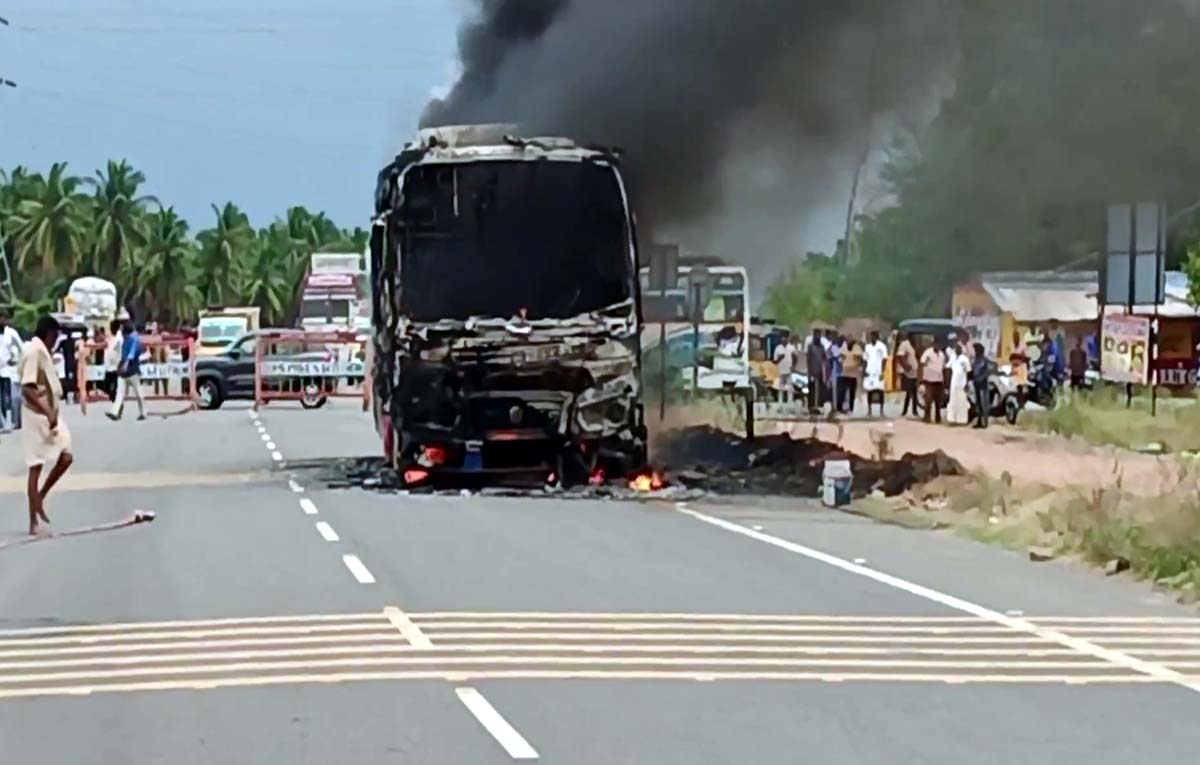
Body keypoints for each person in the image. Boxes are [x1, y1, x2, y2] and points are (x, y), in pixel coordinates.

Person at [20, 315, 74, 536]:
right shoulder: (34, 351)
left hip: (50, 415)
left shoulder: (42, 350)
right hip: (37, 415)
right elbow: (28, 388)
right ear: (48, 333)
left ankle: (41, 495)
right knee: (36, 466)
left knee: (67, 455)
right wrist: (47, 411)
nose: (56, 340)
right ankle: (33, 520)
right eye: (55, 336)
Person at [108, 320, 146, 421]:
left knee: (138, 392)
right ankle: (114, 412)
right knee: (120, 392)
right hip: (123, 370)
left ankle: (143, 412)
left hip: (132, 369)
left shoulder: (134, 339)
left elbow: (132, 354)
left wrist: (126, 363)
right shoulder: (123, 339)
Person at [0, 309, 24, 432]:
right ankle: (3, 424)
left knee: (9, 398)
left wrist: (17, 361)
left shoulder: (11, 333)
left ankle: (12, 421)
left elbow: (22, 348)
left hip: (7, 370)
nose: (3, 321)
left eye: (4, 319)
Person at [862, 331, 889, 418]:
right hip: (869, 372)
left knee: (880, 391)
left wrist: (883, 371)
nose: (873, 338)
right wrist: (864, 370)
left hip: (879, 372)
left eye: (874, 337)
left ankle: (881, 411)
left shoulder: (882, 347)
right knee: (870, 391)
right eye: (872, 337)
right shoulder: (867, 347)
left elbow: (885, 359)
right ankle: (869, 411)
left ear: (877, 337)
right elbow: (865, 359)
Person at [920, 339, 946, 424]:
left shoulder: (942, 354)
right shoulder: (928, 353)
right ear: (933, 344)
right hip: (929, 380)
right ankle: (927, 417)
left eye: (939, 344)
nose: (937, 346)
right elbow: (923, 365)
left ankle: (938, 417)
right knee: (928, 399)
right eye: (936, 344)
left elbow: (944, 367)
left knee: (938, 401)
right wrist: (922, 379)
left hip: (939, 380)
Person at [946, 343, 971, 425]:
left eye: (958, 349)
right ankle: (951, 419)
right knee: (953, 401)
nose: (957, 350)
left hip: (962, 383)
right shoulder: (953, 358)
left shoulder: (965, 359)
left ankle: (962, 420)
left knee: (962, 401)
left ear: (961, 350)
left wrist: (967, 383)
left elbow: (968, 371)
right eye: (956, 349)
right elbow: (948, 367)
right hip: (953, 383)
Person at [896, 332, 919, 417]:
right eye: (914, 338)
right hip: (907, 373)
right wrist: (906, 366)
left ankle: (914, 410)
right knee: (908, 392)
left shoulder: (914, 345)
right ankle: (904, 410)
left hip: (915, 372)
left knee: (915, 392)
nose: (915, 339)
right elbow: (900, 356)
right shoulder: (904, 345)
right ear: (910, 337)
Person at [971, 342, 993, 429]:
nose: (975, 351)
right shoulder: (975, 360)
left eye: (976, 350)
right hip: (976, 383)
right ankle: (979, 420)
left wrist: (981, 378)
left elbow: (987, 371)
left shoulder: (984, 360)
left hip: (983, 384)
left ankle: (985, 421)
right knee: (978, 403)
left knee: (984, 403)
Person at [805, 328, 827, 415]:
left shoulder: (822, 347)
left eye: (819, 335)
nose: (817, 337)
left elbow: (825, 359)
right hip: (812, 371)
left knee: (820, 390)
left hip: (820, 371)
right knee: (812, 390)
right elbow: (808, 360)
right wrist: (809, 373)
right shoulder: (810, 347)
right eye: (816, 335)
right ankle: (811, 407)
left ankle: (819, 407)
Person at [839, 338, 863, 414]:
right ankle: (843, 408)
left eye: (850, 342)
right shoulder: (844, 347)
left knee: (852, 392)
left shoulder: (856, 348)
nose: (849, 343)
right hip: (845, 373)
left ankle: (851, 408)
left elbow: (861, 358)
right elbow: (841, 356)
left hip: (853, 374)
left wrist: (858, 365)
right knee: (843, 392)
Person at [772, 331, 797, 403]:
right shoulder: (778, 348)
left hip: (789, 371)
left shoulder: (791, 347)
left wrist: (793, 366)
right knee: (780, 388)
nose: (784, 339)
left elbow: (795, 357)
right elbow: (775, 361)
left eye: (786, 337)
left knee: (790, 388)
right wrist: (780, 358)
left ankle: (790, 402)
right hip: (781, 371)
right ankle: (780, 403)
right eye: (783, 337)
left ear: (788, 338)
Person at [103, 319, 123, 402]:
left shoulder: (119, 338)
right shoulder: (112, 337)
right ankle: (114, 400)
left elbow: (119, 351)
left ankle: (117, 405)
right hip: (109, 366)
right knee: (106, 386)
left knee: (115, 387)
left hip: (115, 365)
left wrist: (119, 362)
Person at [826, 333, 844, 414]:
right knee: (833, 391)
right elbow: (828, 358)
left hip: (840, 372)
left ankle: (838, 408)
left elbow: (840, 359)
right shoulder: (831, 348)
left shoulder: (840, 348)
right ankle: (834, 408)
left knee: (839, 391)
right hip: (833, 373)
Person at [1009, 330, 1029, 394]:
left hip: (1022, 368)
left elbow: (1027, 358)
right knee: (1016, 387)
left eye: (1016, 337)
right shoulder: (1012, 345)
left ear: (1019, 337)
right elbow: (1011, 357)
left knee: (1021, 387)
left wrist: (1019, 357)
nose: (1015, 339)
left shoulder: (1023, 345)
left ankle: (1021, 402)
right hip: (1014, 368)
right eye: (1014, 337)